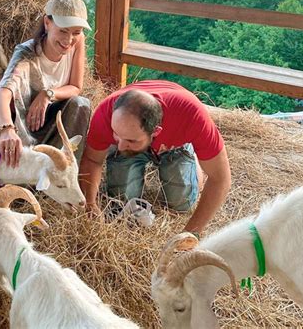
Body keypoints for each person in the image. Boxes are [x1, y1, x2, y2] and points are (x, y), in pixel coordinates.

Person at [79, 80, 231, 235]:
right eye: (115, 134)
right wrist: (90, 203)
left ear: (156, 132)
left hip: (173, 144)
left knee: (181, 202)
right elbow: (92, 160)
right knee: (121, 200)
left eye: (131, 140)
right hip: (135, 148)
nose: (120, 146)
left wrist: (190, 234)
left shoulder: (191, 114)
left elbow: (220, 179)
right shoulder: (106, 112)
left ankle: (192, 158)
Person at [0, 0, 92, 167]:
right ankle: (28, 169)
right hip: (22, 126)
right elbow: (2, 93)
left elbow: (76, 86)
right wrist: (6, 129)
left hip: (51, 121)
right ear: (47, 23)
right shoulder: (26, 54)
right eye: (63, 30)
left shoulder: (78, 40)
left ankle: (63, 170)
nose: (69, 40)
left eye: (76, 32)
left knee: (80, 104)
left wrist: (48, 94)